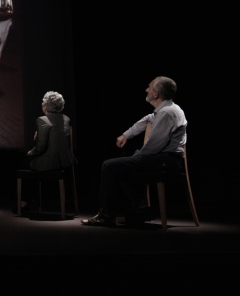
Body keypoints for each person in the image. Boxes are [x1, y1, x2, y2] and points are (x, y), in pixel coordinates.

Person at [81, 76, 187, 227]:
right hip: (164, 159)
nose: (146, 89)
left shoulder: (167, 113)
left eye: (149, 87)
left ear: (156, 94)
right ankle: (141, 209)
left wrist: (137, 155)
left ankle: (106, 215)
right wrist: (126, 135)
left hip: (167, 160)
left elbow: (155, 145)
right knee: (121, 167)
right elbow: (146, 119)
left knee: (109, 166)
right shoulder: (165, 110)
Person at [14, 91, 78, 213]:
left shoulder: (43, 120)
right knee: (28, 163)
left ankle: (26, 202)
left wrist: (31, 151)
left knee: (25, 162)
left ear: (46, 106)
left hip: (51, 162)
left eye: (43, 103)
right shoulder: (66, 118)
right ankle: (31, 200)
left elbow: (41, 147)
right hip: (66, 161)